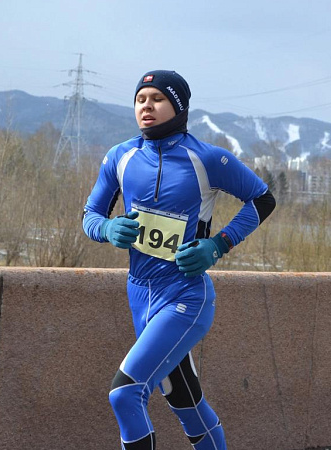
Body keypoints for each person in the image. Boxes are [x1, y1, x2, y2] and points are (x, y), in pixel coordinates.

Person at [82, 70, 275, 450]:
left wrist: (218, 245)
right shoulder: (120, 156)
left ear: (179, 106)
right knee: (185, 400)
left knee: (125, 393)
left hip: (185, 296)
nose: (146, 106)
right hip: (139, 295)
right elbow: (90, 215)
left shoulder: (207, 158)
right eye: (140, 99)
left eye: (157, 98)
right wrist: (107, 228)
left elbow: (262, 199)